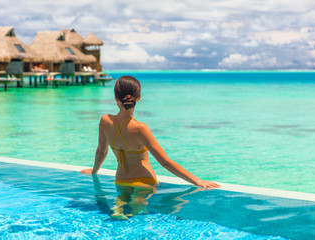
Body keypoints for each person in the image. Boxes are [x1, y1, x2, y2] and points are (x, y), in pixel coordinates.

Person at [81, 76, 220, 219]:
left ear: (115, 96)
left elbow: (101, 152)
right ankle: (133, 209)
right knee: (145, 202)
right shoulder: (140, 128)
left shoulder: (105, 121)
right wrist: (197, 181)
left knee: (121, 198)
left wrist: (95, 171)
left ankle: (118, 209)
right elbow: (164, 162)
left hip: (121, 179)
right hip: (144, 181)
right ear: (139, 97)